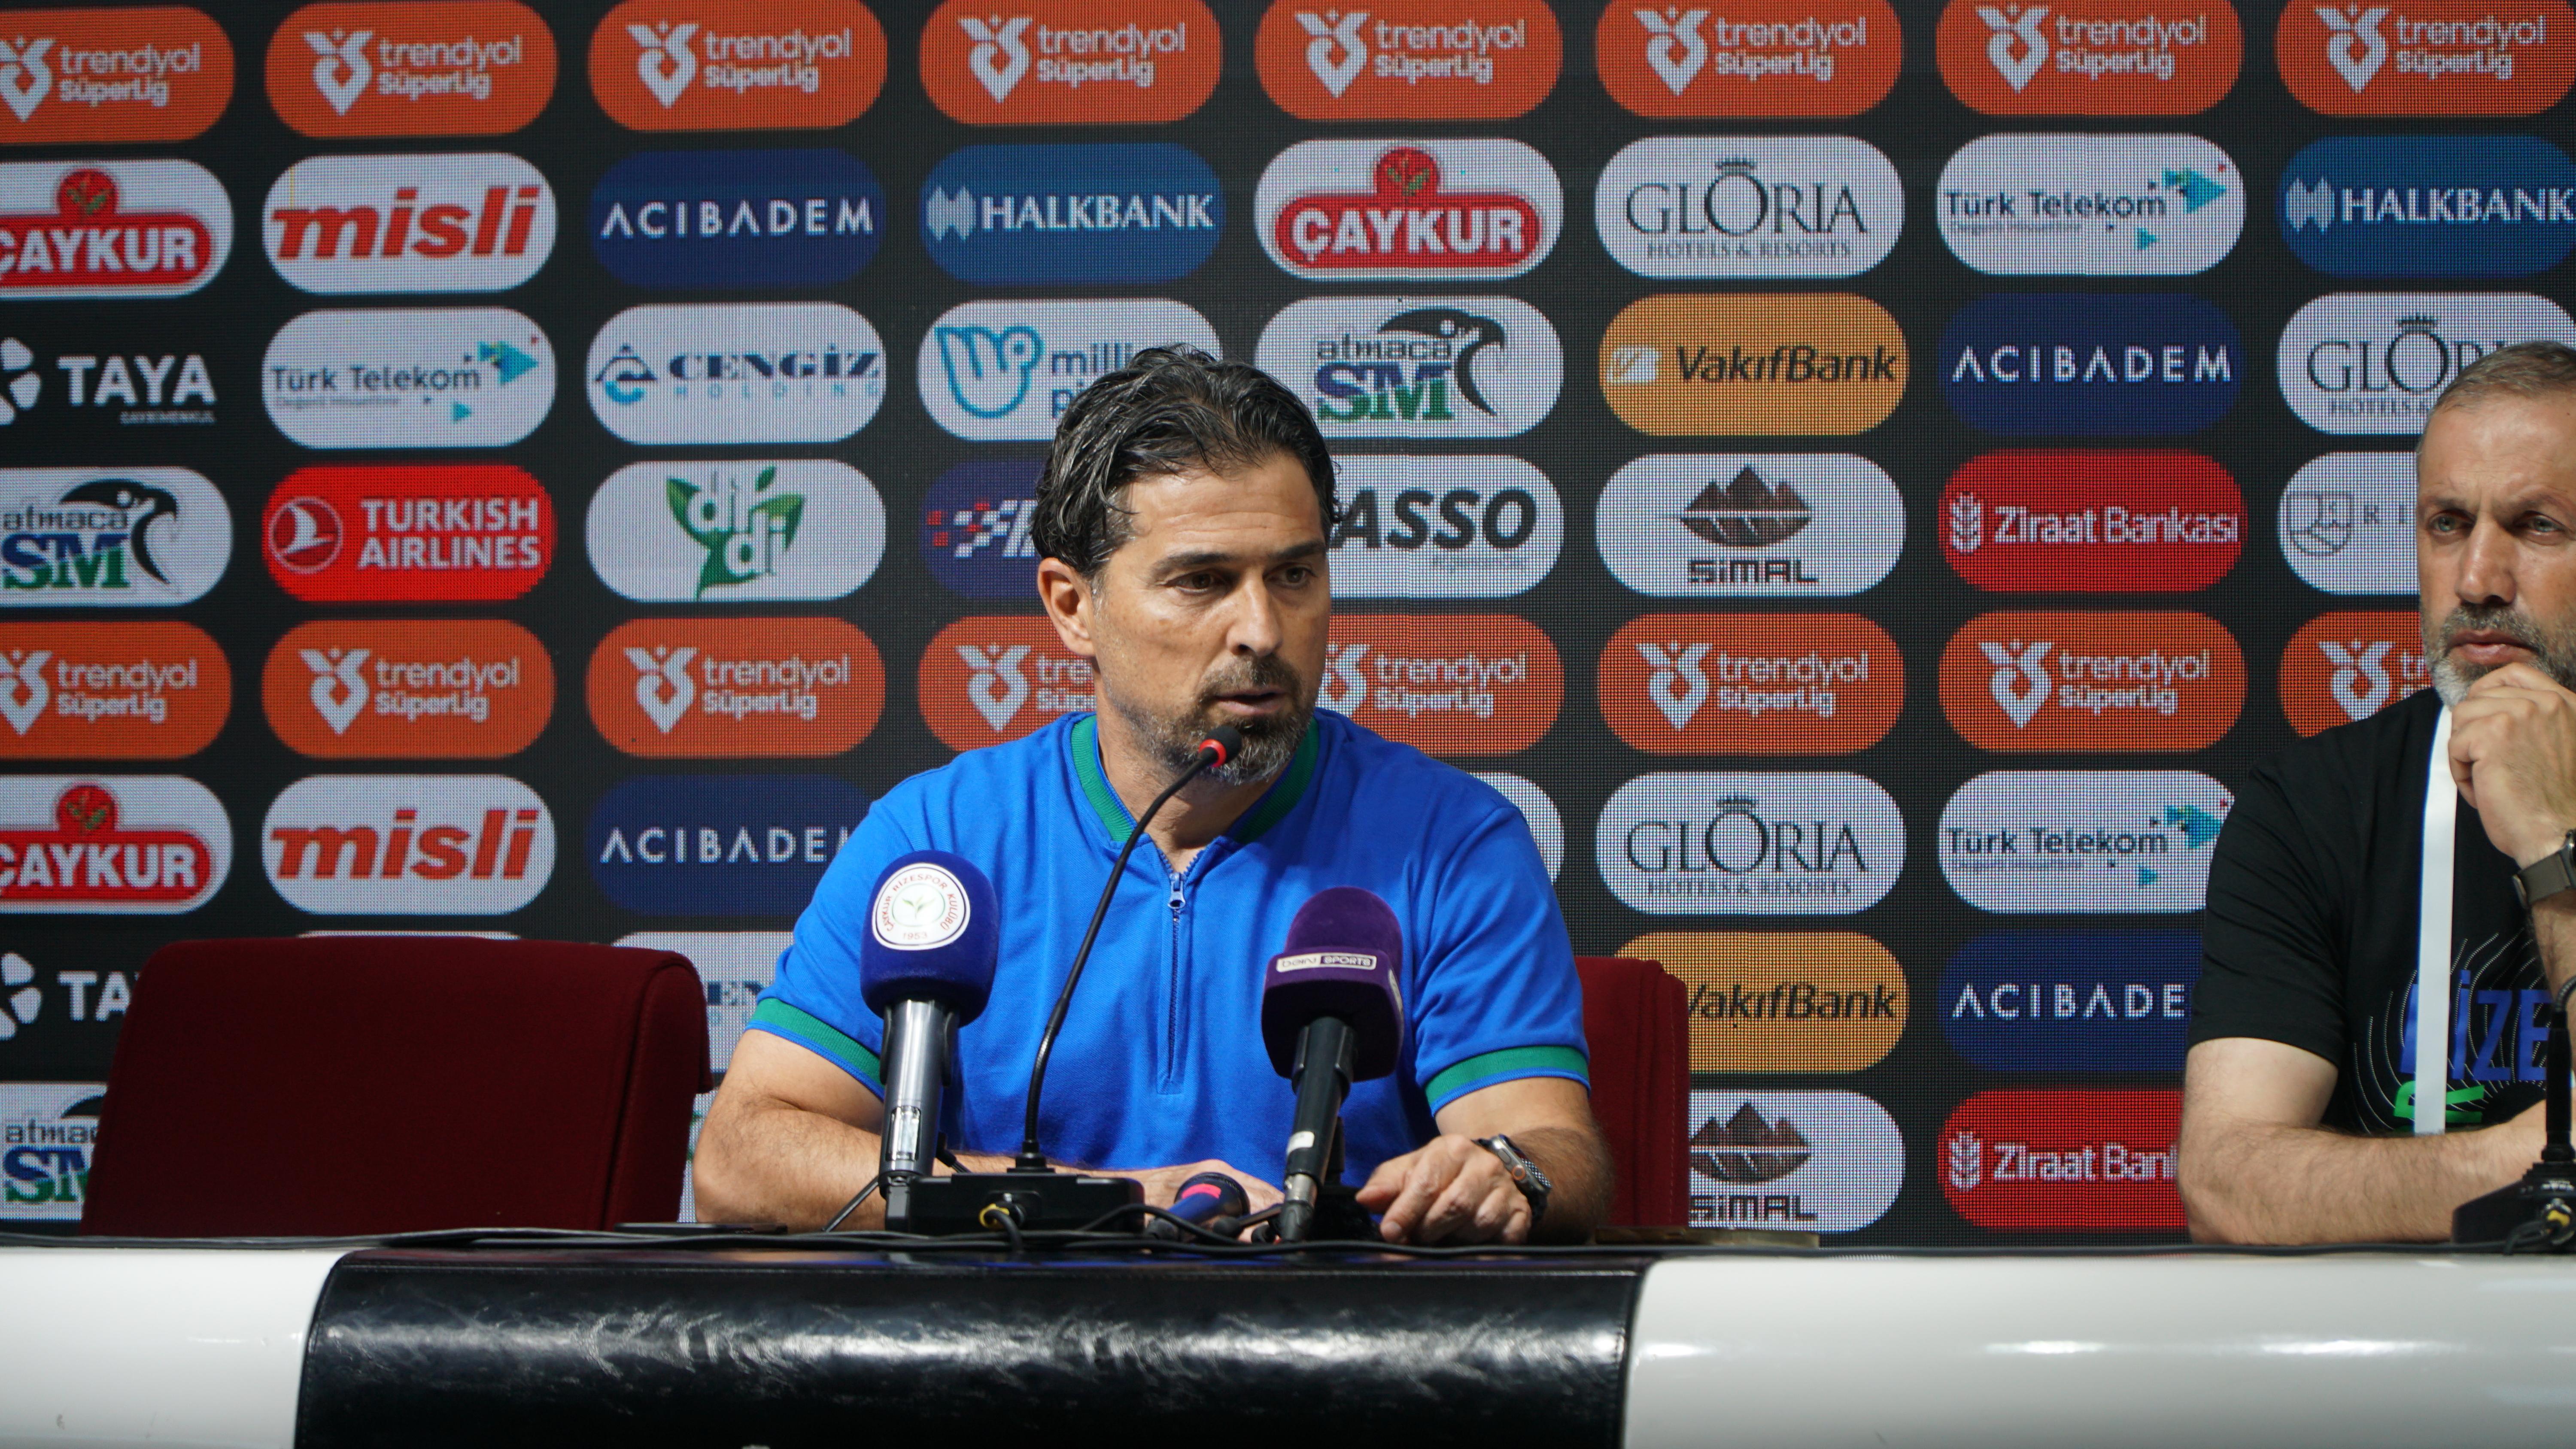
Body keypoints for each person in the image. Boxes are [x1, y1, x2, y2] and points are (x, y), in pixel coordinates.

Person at [692, 347, 1612, 1243]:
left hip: (1331, 1341)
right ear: (1072, 606)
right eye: (1202, 581)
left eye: (1294, 574)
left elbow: (1552, 1146)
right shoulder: (936, 837)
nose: (1262, 629)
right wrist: (1112, 1204)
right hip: (1006, 1345)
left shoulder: (1450, 841)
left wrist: (1504, 1173)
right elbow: (742, 1158)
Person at [2183, 340, 2576, 1243]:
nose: (2477, 580)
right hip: (2390, 1337)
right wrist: (2539, 1163)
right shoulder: (2311, 804)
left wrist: (2553, 843)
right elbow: (2225, 1180)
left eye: (2536, 526)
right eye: (2448, 523)